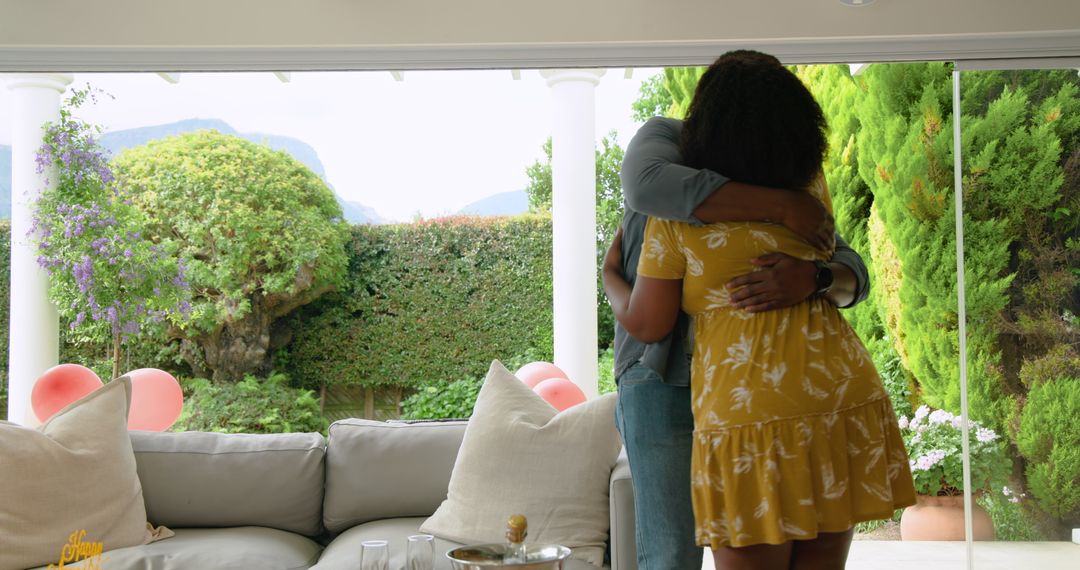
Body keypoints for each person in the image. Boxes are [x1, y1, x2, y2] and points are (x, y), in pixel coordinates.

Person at [604, 50, 916, 570]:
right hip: (837, 397)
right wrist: (790, 221)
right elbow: (840, 257)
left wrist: (612, 279)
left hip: (745, 414)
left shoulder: (677, 215)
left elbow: (647, 322)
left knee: (673, 554)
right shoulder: (807, 190)